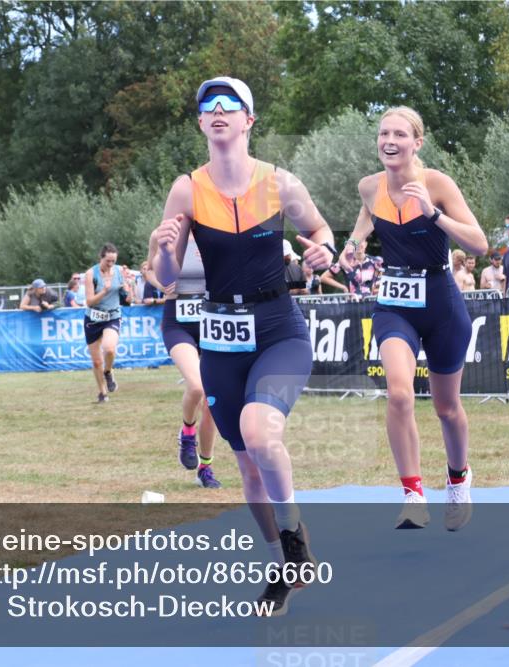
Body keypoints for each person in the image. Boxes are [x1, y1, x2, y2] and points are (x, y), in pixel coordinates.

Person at [153, 76, 335, 616]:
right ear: (201, 123)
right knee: (248, 467)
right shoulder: (187, 188)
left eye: (229, 105)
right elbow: (167, 275)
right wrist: (162, 251)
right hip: (220, 340)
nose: (217, 111)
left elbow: (322, 233)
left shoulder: (281, 183)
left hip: (278, 329)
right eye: (208, 106)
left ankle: (295, 535)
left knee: (261, 433)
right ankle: (284, 560)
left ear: (249, 120)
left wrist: (322, 252)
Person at [339, 106, 488, 532]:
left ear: (416, 143)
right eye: (384, 133)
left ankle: (459, 479)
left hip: (441, 303)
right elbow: (368, 215)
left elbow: (478, 244)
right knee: (399, 395)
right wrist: (354, 243)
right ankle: (413, 494)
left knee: (447, 407)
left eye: (399, 135)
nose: (389, 141)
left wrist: (434, 215)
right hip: (394, 305)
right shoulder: (369, 186)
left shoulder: (436, 183)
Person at [149, 229, 223, 489]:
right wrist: (162, 286)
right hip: (177, 322)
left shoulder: (215, 231)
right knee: (197, 386)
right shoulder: (161, 235)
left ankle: (206, 467)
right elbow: (149, 270)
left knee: (213, 403)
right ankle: (187, 432)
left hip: (212, 320)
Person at [83, 244, 122, 403]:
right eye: (108, 261)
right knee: (96, 361)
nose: (111, 264)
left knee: (109, 349)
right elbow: (89, 301)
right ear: (101, 258)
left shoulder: (119, 272)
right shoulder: (91, 274)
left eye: (113, 261)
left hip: (112, 315)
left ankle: (108, 372)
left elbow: (127, 297)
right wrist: (104, 290)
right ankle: (102, 393)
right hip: (93, 319)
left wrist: (128, 291)